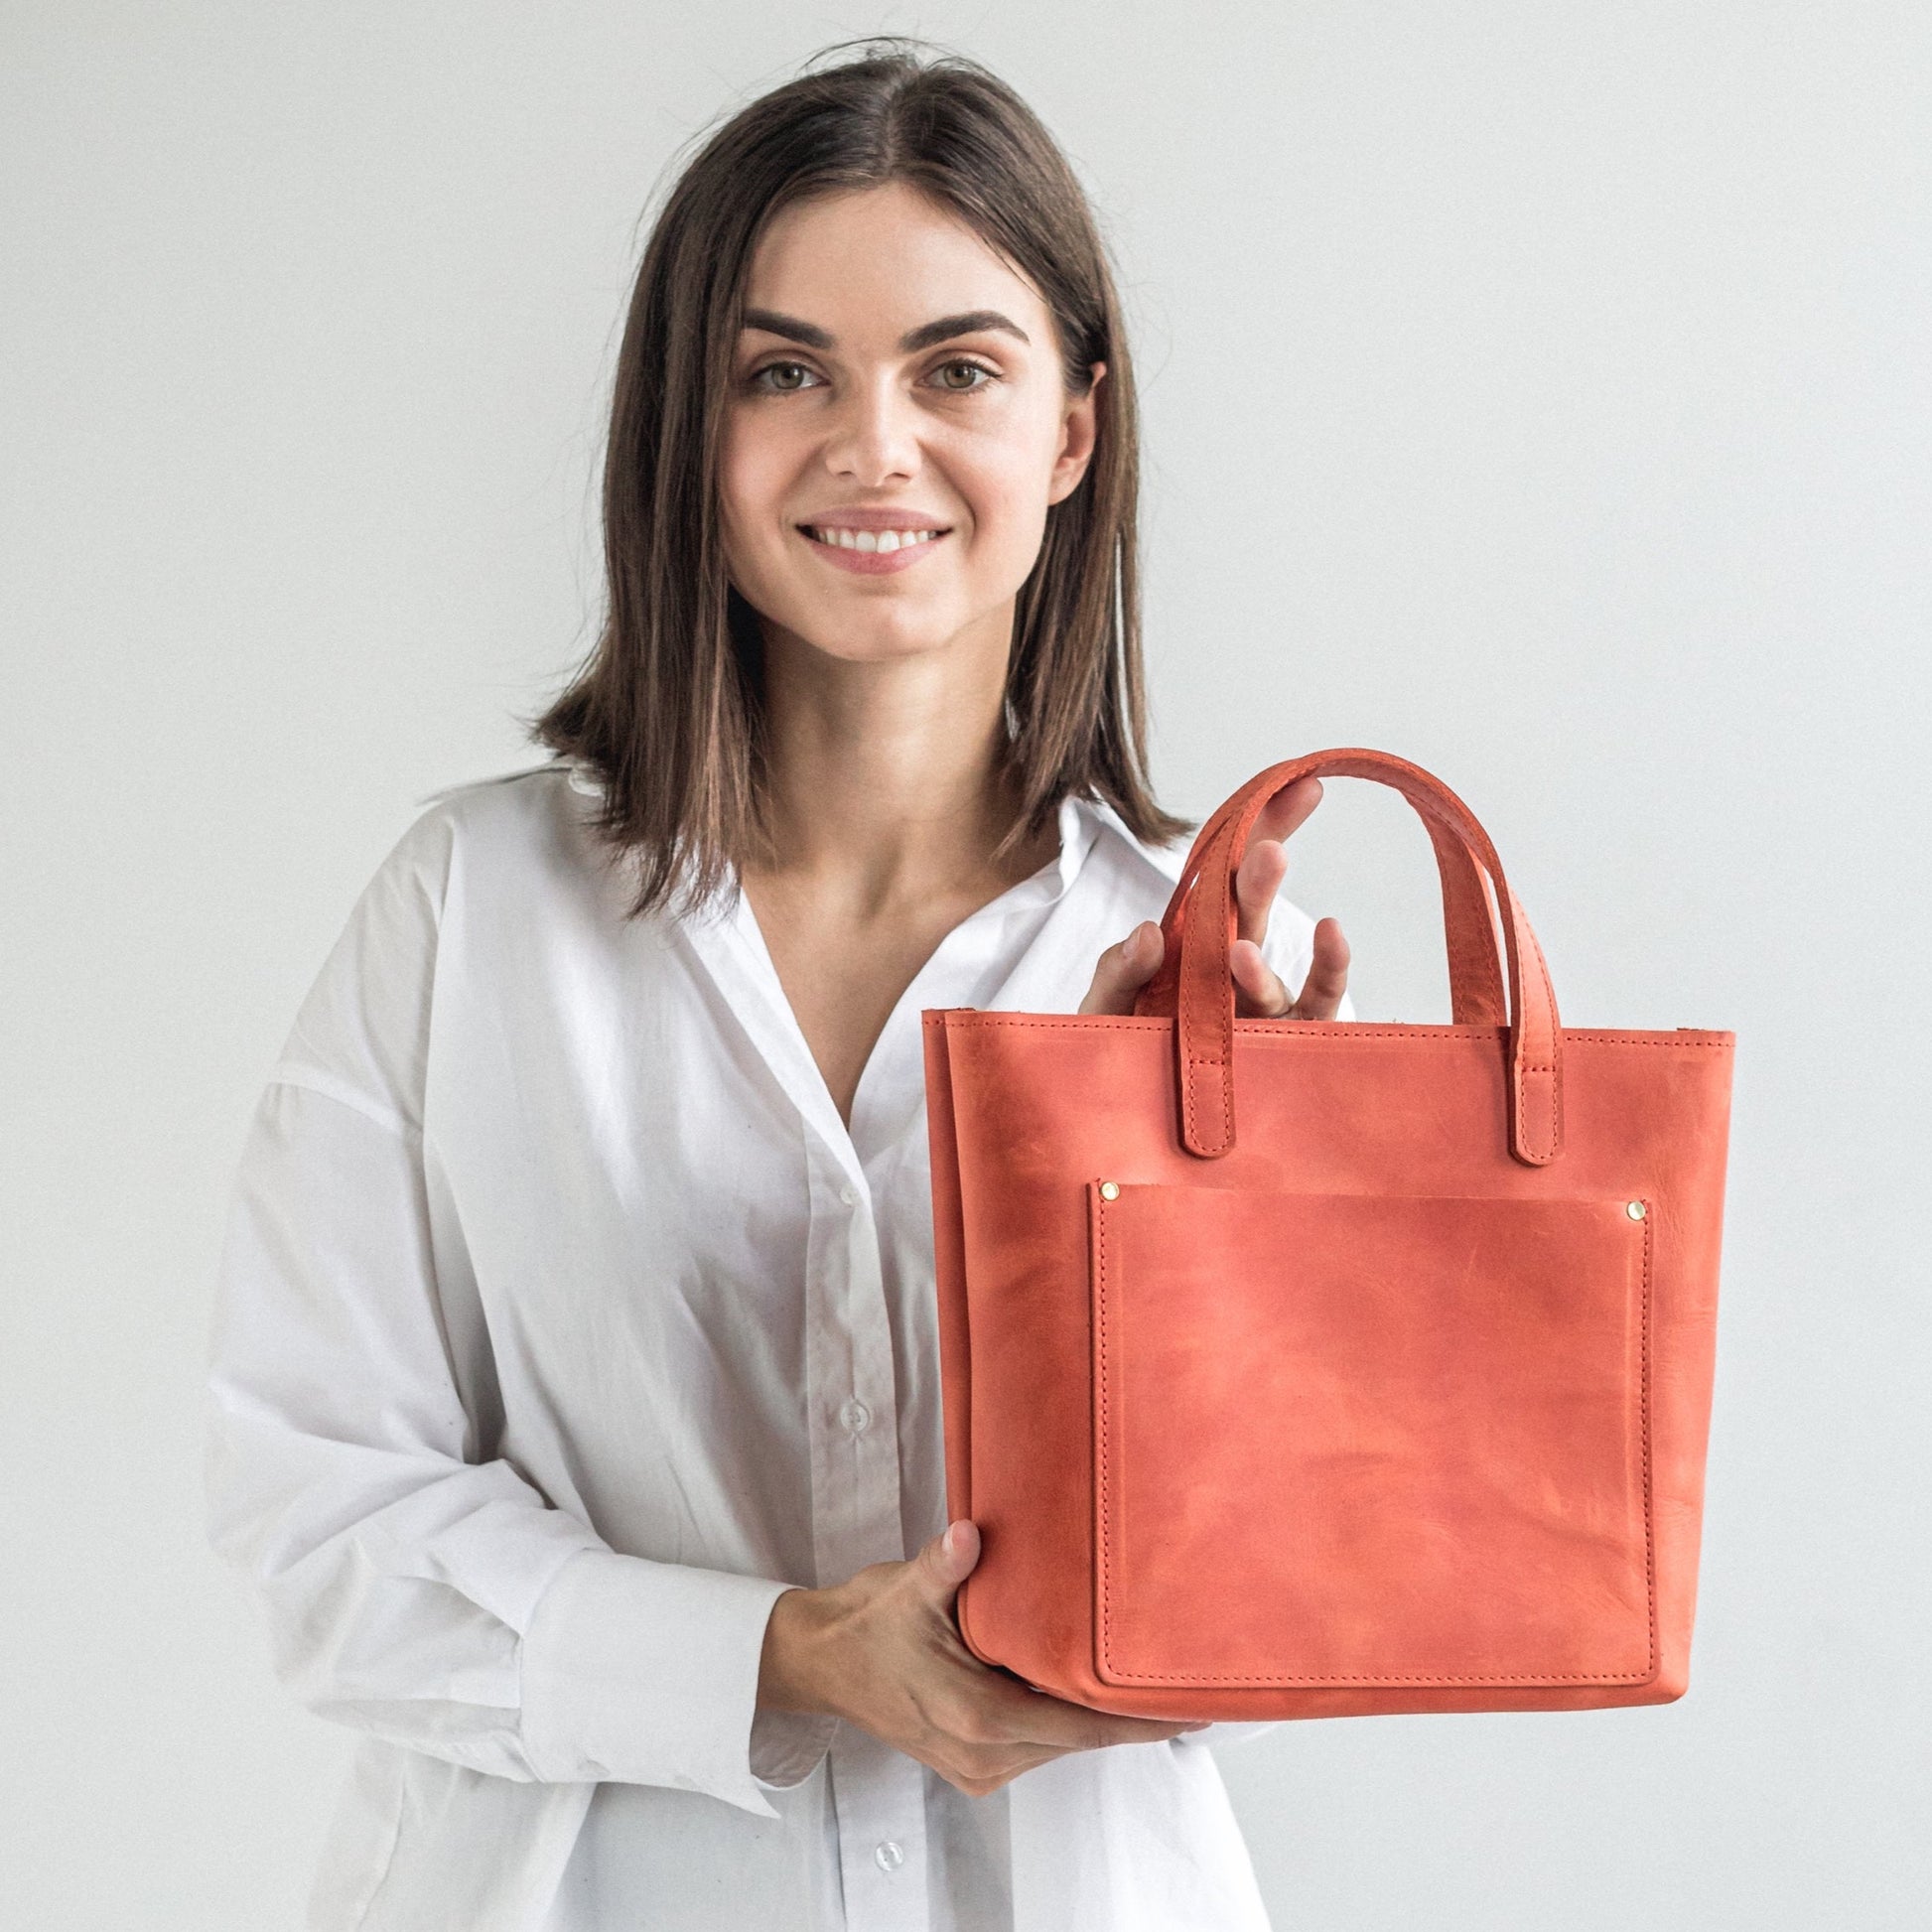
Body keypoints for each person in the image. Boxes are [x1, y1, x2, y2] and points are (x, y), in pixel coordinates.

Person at [204, 37, 1353, 1932]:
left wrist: (1223, 1223)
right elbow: (319, 1525)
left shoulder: (1186, 980)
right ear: (694, 432)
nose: (870, 445)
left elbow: (1285, 1614)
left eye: (957, 369)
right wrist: (783, 1654)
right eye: (782, 370)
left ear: (1069, 430)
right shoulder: (471, 912)